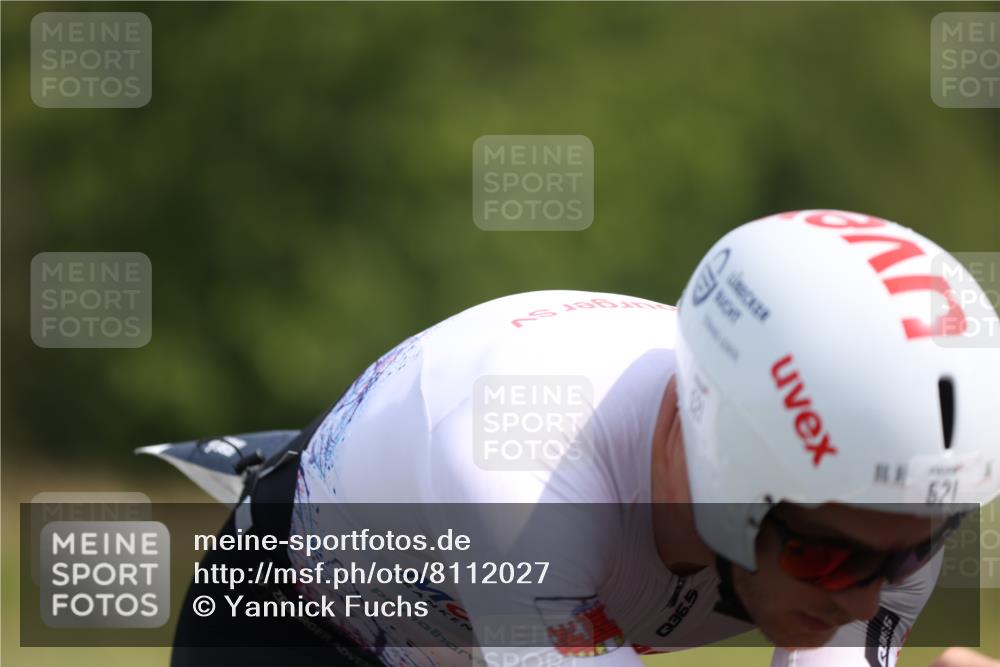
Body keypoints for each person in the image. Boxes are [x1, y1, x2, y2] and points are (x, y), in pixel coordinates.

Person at [170, 209, 1000, 667]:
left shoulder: (874, 507)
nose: (865, 597)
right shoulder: (521, 467)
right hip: (305, 624)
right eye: (831, 558)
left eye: (909, 556)